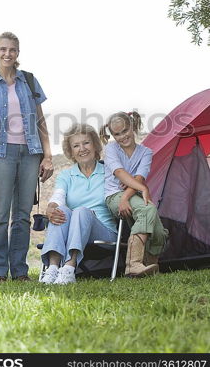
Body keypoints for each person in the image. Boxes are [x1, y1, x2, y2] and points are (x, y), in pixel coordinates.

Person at [0, 32, 53, 282]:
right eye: (3, 49)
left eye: (12, 50)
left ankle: (19, 271)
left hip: (30, 153)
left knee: (22, 215)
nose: (8, 53)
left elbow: (40, 120)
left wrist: (47, 155)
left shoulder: (29, 81)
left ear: (18, 53)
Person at [40, 123, 118, 285]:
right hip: (74, 231)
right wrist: (51, 207)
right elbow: (59, 196)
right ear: (71, 152)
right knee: (60, 210)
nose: (82, 148)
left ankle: (69, 268)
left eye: (86, 143)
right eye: (76, 146)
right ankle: (53, 269)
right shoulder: (66, 175)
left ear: (95, 146)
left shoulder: (110, 172)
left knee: (82, 211)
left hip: (104, 231)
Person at [100, 111, 169, 278]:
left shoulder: (146, 152)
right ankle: (133, 265)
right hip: (114, 195)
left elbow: (139, 178)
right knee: (147, 210)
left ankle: (150, 265)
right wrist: (140, 188)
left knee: (159, 230)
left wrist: (131, 192)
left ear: (132, 127)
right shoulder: (111, 149)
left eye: (125, 131)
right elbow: (120, 173)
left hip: (130, 196)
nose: (122, 137)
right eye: (117, 134)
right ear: (112, 135)